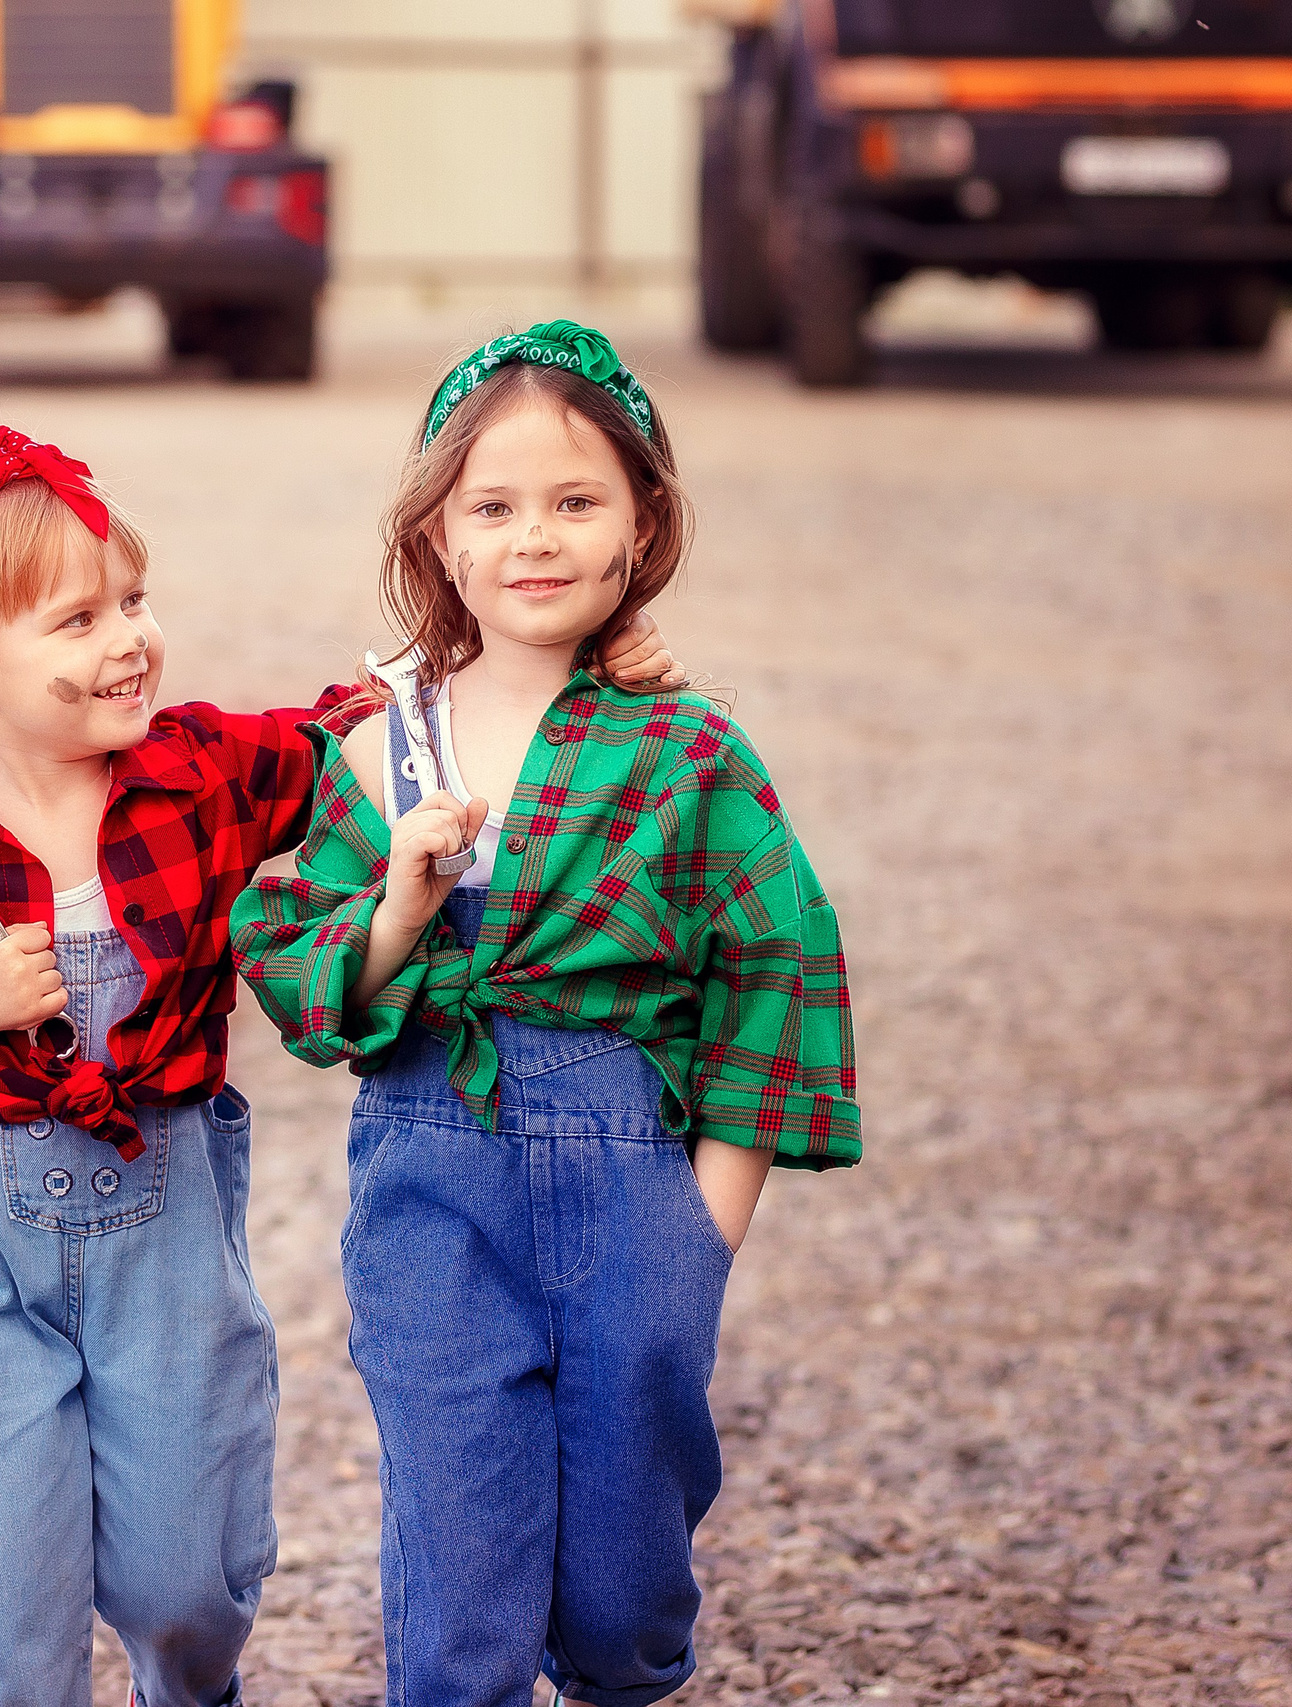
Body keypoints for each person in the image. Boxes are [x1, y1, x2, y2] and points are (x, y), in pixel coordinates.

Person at [0, 411, 682, 1707]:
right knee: (6, 1605)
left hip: (162, 1238)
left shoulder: (200, 778)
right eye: (77, 621)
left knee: (187, 1579)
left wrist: (566, 652)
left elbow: (360, 728)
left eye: (132, 601)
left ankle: (193, 1685)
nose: (128, 639)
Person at [233, 323, 861, 1707]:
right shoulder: (380, 746)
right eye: (494, 507)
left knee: (625, 1576)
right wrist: (400, 910)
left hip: (634, 1176)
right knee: (460, 1542)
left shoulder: (688, 753)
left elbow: (774, 968)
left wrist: (704, 1231)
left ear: (643, 526)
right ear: (439, 538)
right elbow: (295, 973)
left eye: (577, 501)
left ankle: (623, 1674)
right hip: (431, 1176)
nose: (534, 537)